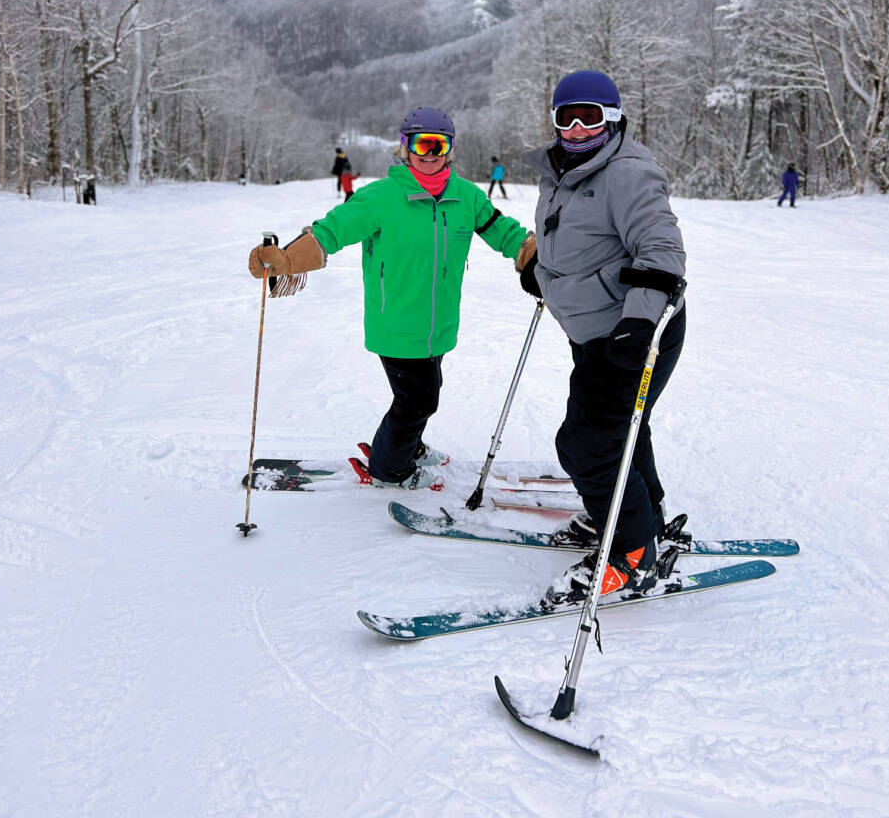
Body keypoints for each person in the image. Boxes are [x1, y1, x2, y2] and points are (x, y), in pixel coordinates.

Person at [249, 106, 535, 489]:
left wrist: (535, 252)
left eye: (439, 144)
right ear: (405, 147)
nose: (430, 153)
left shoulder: (466, 197)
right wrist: (286, 259)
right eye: (422, 144)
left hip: (439, 324)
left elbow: (503, 231)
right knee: (417, 401)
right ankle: (390, 467)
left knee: (424, 392)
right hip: (396, 324)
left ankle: (408, 446)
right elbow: (331, 231)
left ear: (450, 148)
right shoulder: (380, 198)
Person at [518, 70, 686, 607]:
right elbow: (577, 245)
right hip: (596, 331)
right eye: (563, 116)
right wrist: (540, 273)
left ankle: (636, 555)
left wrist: (636, 326)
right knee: (618, 433)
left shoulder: (628, 173)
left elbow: (661, 254)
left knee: (586, 443)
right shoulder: (562, 172)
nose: (574, 126)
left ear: (612, 117)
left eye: (588, 115)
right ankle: (644, 521)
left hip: (636, 331)